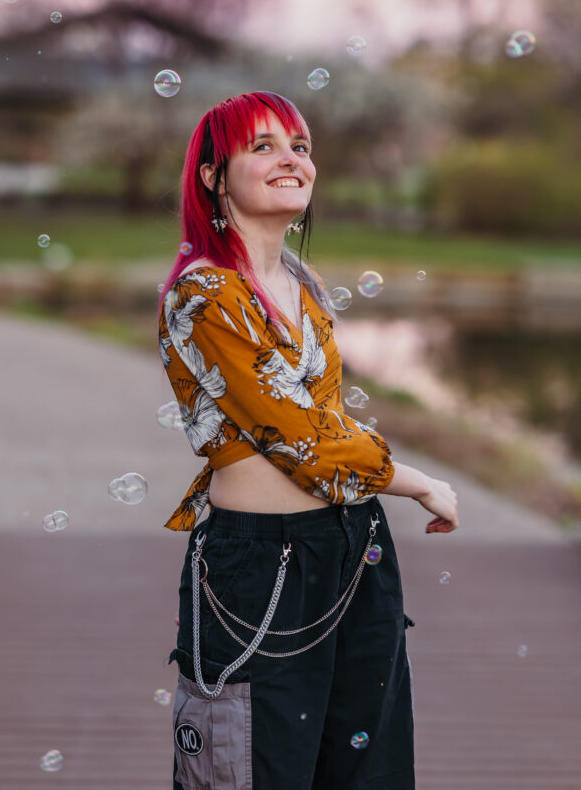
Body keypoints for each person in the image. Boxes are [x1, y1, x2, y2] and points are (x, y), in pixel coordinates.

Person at [158, 91, 458, 790]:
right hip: (259, 566)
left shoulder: (300, 284)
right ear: (212, 175)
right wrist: (416, 480)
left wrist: (381, 488)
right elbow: (301, 437)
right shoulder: (205, 296)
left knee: (369, 770)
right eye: (261, 146)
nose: (290, 159)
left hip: (352, 548)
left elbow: (328, 418)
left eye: (299, 144)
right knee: (249, 771)